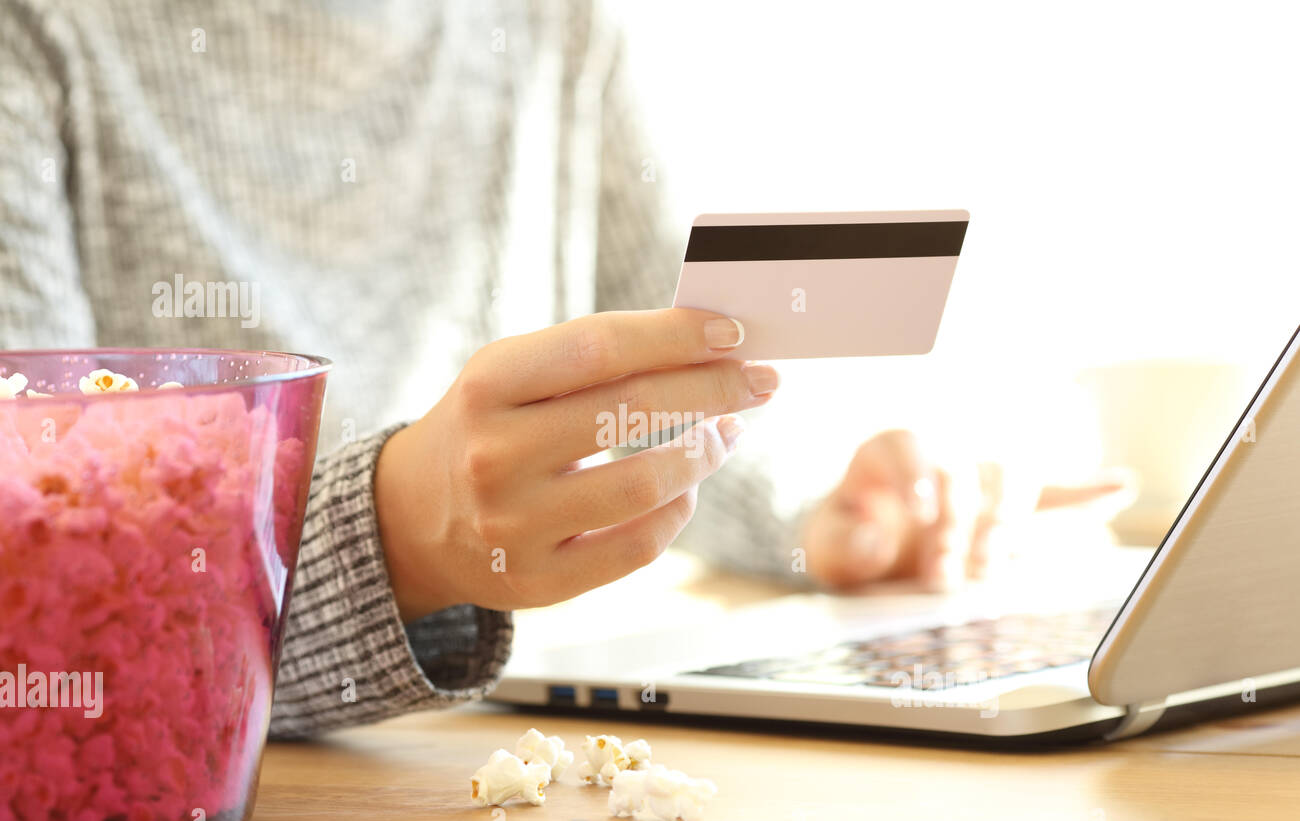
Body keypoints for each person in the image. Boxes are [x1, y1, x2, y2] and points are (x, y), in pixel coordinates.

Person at [0, 0, 1120, 737]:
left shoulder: (549, 29)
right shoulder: (40, 39)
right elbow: (44, 621)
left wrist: (825, 508)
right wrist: (390, 537)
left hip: (473, 767)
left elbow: (667, 370)